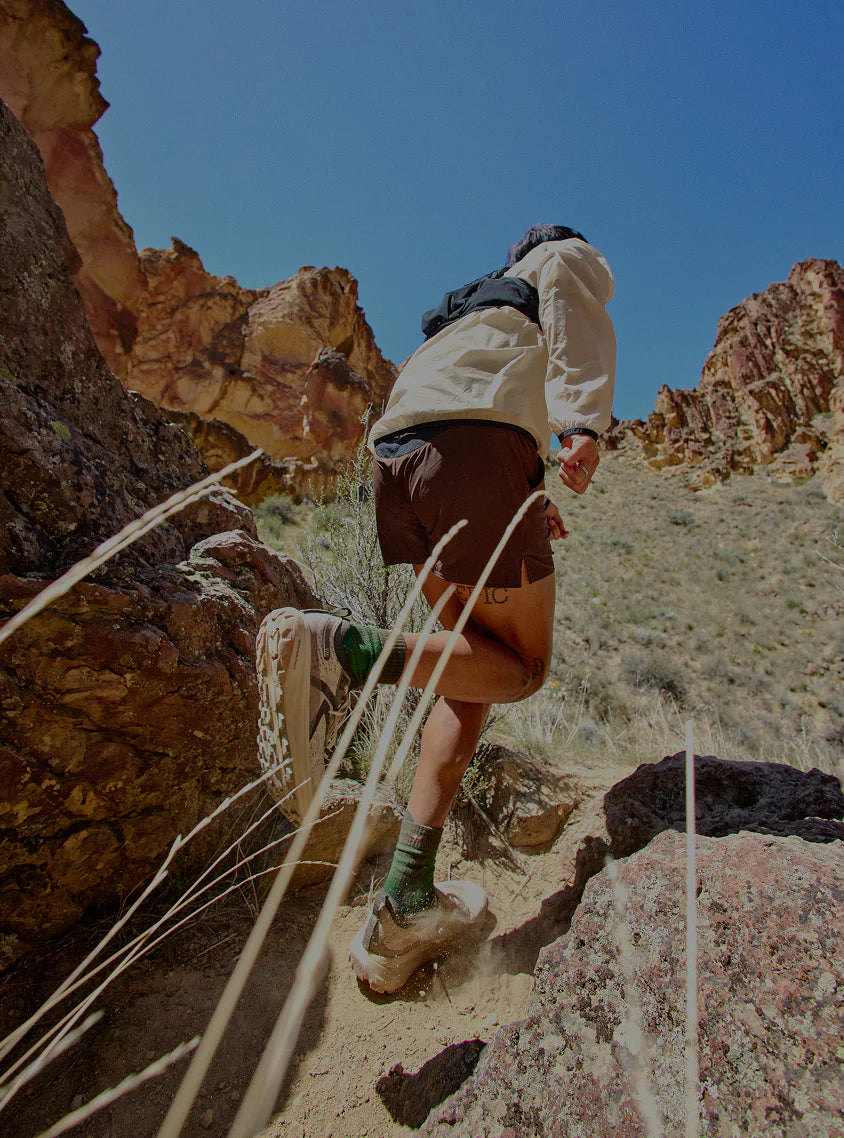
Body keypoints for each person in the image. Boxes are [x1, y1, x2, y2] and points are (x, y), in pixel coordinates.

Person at [261, 224, 616, 993]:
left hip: (399, 459)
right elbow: (574, 315)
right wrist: (581, 422)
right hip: (473, 449)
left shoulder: (473, 309)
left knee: (472, 674)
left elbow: (455, 400)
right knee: (522, 670)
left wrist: (522, 492)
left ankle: (405, 908)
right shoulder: (557, 260)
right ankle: (339, 652)